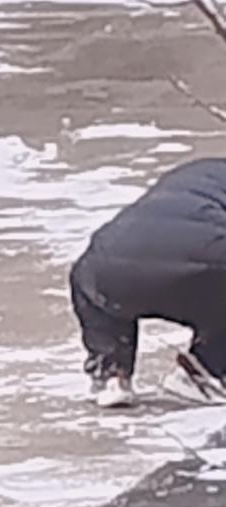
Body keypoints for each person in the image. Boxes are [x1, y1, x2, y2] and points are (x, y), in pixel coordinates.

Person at [70, 157, 226, 409]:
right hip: (199, 260)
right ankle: (202, 371)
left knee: (90, 282)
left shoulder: (198, 173)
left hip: (107, 262)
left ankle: (112, 376)